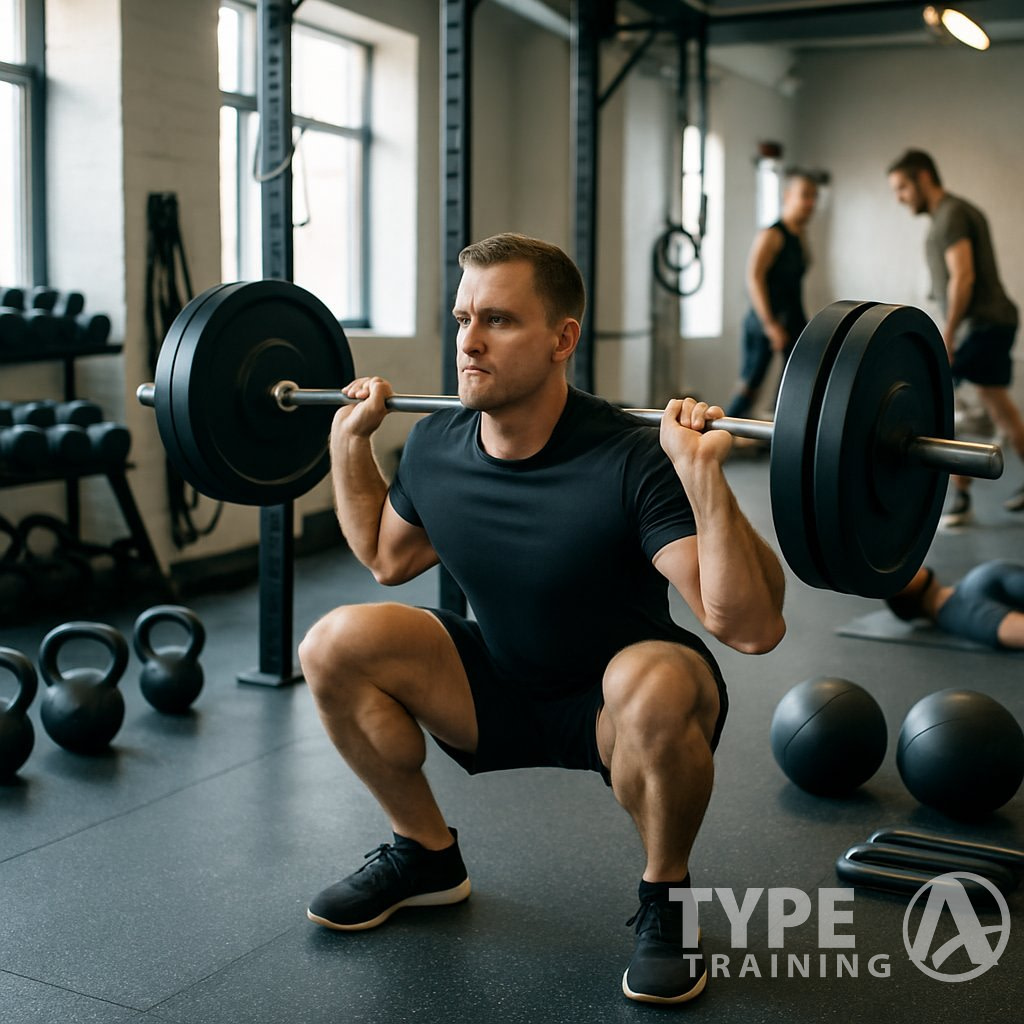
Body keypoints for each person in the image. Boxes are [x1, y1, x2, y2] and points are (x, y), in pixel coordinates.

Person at [298, 233, 786, 1005]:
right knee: (334, 643)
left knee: (654, 679)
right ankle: (427, 856)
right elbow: (388, 559)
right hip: (493, 683)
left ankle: (667, 898)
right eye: (462, 318)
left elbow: (750, 626)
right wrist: (347, 445)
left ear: (563, 339)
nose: (468, 340)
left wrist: (702, 479)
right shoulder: (436, 444)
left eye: (497, 320)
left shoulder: (629, 456)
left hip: (616, 705)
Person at [887, 149, 1024, 526]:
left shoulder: (951, 216)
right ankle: (963, 494)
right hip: (991, 322)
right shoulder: (950, 214)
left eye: (902, 188)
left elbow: (963, 276)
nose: (900, 197)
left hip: (980, 325)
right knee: (996, 406)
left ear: (923, 178)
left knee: (942, 398)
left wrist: (947, 334)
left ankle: (960, 497)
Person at [725, 170, 818, 420]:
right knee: (750, 386)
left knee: (797, 378)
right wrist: (770, 325)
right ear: (788, 196)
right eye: (805, 196)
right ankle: (711, 436)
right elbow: (753, 278)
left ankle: (781, 431)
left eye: (814, 197)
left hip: (792, 320)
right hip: (765, 321)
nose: (811, 203)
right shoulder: (772, 234)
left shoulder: (799, 235)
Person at [886, 560, 1024, 650]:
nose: (903, 568)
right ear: (902, 597)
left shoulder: (959, 590)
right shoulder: (961, 614)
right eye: (896, 578)